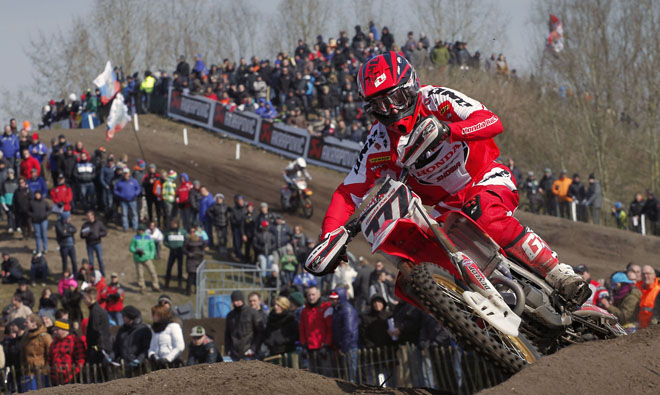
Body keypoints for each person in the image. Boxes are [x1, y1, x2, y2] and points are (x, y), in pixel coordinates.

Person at [313, 52, 588, 305]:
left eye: (396, 98)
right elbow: (348, 192)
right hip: (447, 207)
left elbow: (492, 121)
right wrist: (329, 235)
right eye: (380, 105)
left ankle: (559, 274)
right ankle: (476, 327)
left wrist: (448, 130)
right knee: (410, 279)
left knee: (482, 213)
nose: (392, 110)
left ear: (411, 87)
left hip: (485, 178)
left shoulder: (436, 99)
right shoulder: (379, 143)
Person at [224, 290, 264, 361]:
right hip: (234, 353)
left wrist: (253, 349)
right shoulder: (230, 316)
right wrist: (228, 350)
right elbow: (227, 334)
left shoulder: (252, 313)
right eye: (235, 300)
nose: (237, 302)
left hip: (248, 353)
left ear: (242, 300)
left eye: (239, 300)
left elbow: (259, 333)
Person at [330, 287, 359, 382]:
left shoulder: (347, 310)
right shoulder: (337, 309)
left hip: (349, 348)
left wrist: (343, 348)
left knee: (351, 376)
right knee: (344, 375)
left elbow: (349, 331)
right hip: (342, 347)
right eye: (332, 298)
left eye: (335, 298)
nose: (333, 300)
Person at [113, 305, 152, 375]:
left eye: (124, 316)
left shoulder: (143, 330)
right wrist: (112, 356)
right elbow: (116, 347)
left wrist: (139, 360)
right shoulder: (122, 330)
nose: (122, 318)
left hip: (140, 368)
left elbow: (146, 348)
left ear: (130, 317)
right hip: (124, 367)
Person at [48, 319, 85, 386]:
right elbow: (50, 359)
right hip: (56, 378)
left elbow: (80, 359)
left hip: (70, 378)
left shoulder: (74, 341)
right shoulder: (54, 342)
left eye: (57, 330)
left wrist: (74, 373)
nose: (54, 332)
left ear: (64, 329)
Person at [20, 314, 52, 387]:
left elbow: (49, 355)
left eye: (27, 322)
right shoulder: (25, 338)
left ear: (34, 323)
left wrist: (45, 370)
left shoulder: (45, 337)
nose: (24, 324)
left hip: (42, 373)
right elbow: (22, 356)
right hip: (28, 373)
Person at [83, 286, 112, 368]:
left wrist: (95, 347)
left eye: (85, 298)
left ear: (91, 297)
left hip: (99, 347)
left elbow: (96, 330)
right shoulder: (94, 309)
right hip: (99, 346)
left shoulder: (95, 311)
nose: (84, 300)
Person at [148, 304, 185, 368]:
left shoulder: (173, 326)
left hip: (172, 363)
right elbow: (152, 347)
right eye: (153, 314)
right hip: (158, 364)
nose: (153, 317)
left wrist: (167, 359)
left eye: (156, 314)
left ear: (162, 315)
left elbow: (180, 346)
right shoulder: (154, 329)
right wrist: (152, 355)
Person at [129, 224, 161, 293]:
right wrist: (135, 251)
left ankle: (156, 286)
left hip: (147, 258)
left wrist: (151, 256)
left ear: (143, 231)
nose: (139, 231)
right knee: (140, 274)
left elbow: (153, 247)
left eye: (140, 230)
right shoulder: (135, 238)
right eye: (138, 230)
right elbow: (131, 247)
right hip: (138, 258)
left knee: (153, 272)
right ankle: (142, 287)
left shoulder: (148, 238)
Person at [80, 210, 108, 276]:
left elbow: (105, 231)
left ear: (93, 216)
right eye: (87, 216)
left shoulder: (99, 223)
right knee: (91, 261)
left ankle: (103, 274)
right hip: (89, 244)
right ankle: (91, 275)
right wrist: (85, 234)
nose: (88, 217)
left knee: (100, 260)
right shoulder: (85, 225)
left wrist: (98, 234)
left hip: (97, 243)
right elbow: (81, 235)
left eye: (89, 216)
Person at [114, 167, 142, 231]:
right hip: (123, 201)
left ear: (129, 173)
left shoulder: (134, 181)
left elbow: (138, 188)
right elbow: (115, 190)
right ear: (123, 174)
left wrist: (135, 193)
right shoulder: (119, 182)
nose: (126, 174)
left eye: (127, 173)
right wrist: (119, 195)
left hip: (133, 200)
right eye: (125, 173)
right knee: (124, 214)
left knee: (134, 214)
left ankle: (135, 227)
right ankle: (125, 227)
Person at [164, 220, 187, 289]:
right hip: (172, 251)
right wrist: (170, 246)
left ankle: (179, 283)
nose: (172, 225)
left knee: (180, 267)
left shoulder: (183, 232)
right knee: (169, 267)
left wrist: (184, 247)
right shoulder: (168, 232)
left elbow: (186, 240)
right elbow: (165, 241)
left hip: (180, 251)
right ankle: (167, 282)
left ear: (177, 224)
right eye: (171, 224)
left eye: (174, 224)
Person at [183, 230, 205, 295]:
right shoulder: (187, 240)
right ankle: (188, 291)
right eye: (191, 232)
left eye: (193, 232)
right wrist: (188, 253)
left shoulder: (201, 240)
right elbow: (184, 249)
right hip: (191, 260)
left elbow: (203, 248)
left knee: (197, 277)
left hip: (199, 260)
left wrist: (202, 253)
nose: (192, 233)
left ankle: (196, 290)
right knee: (191, 276)